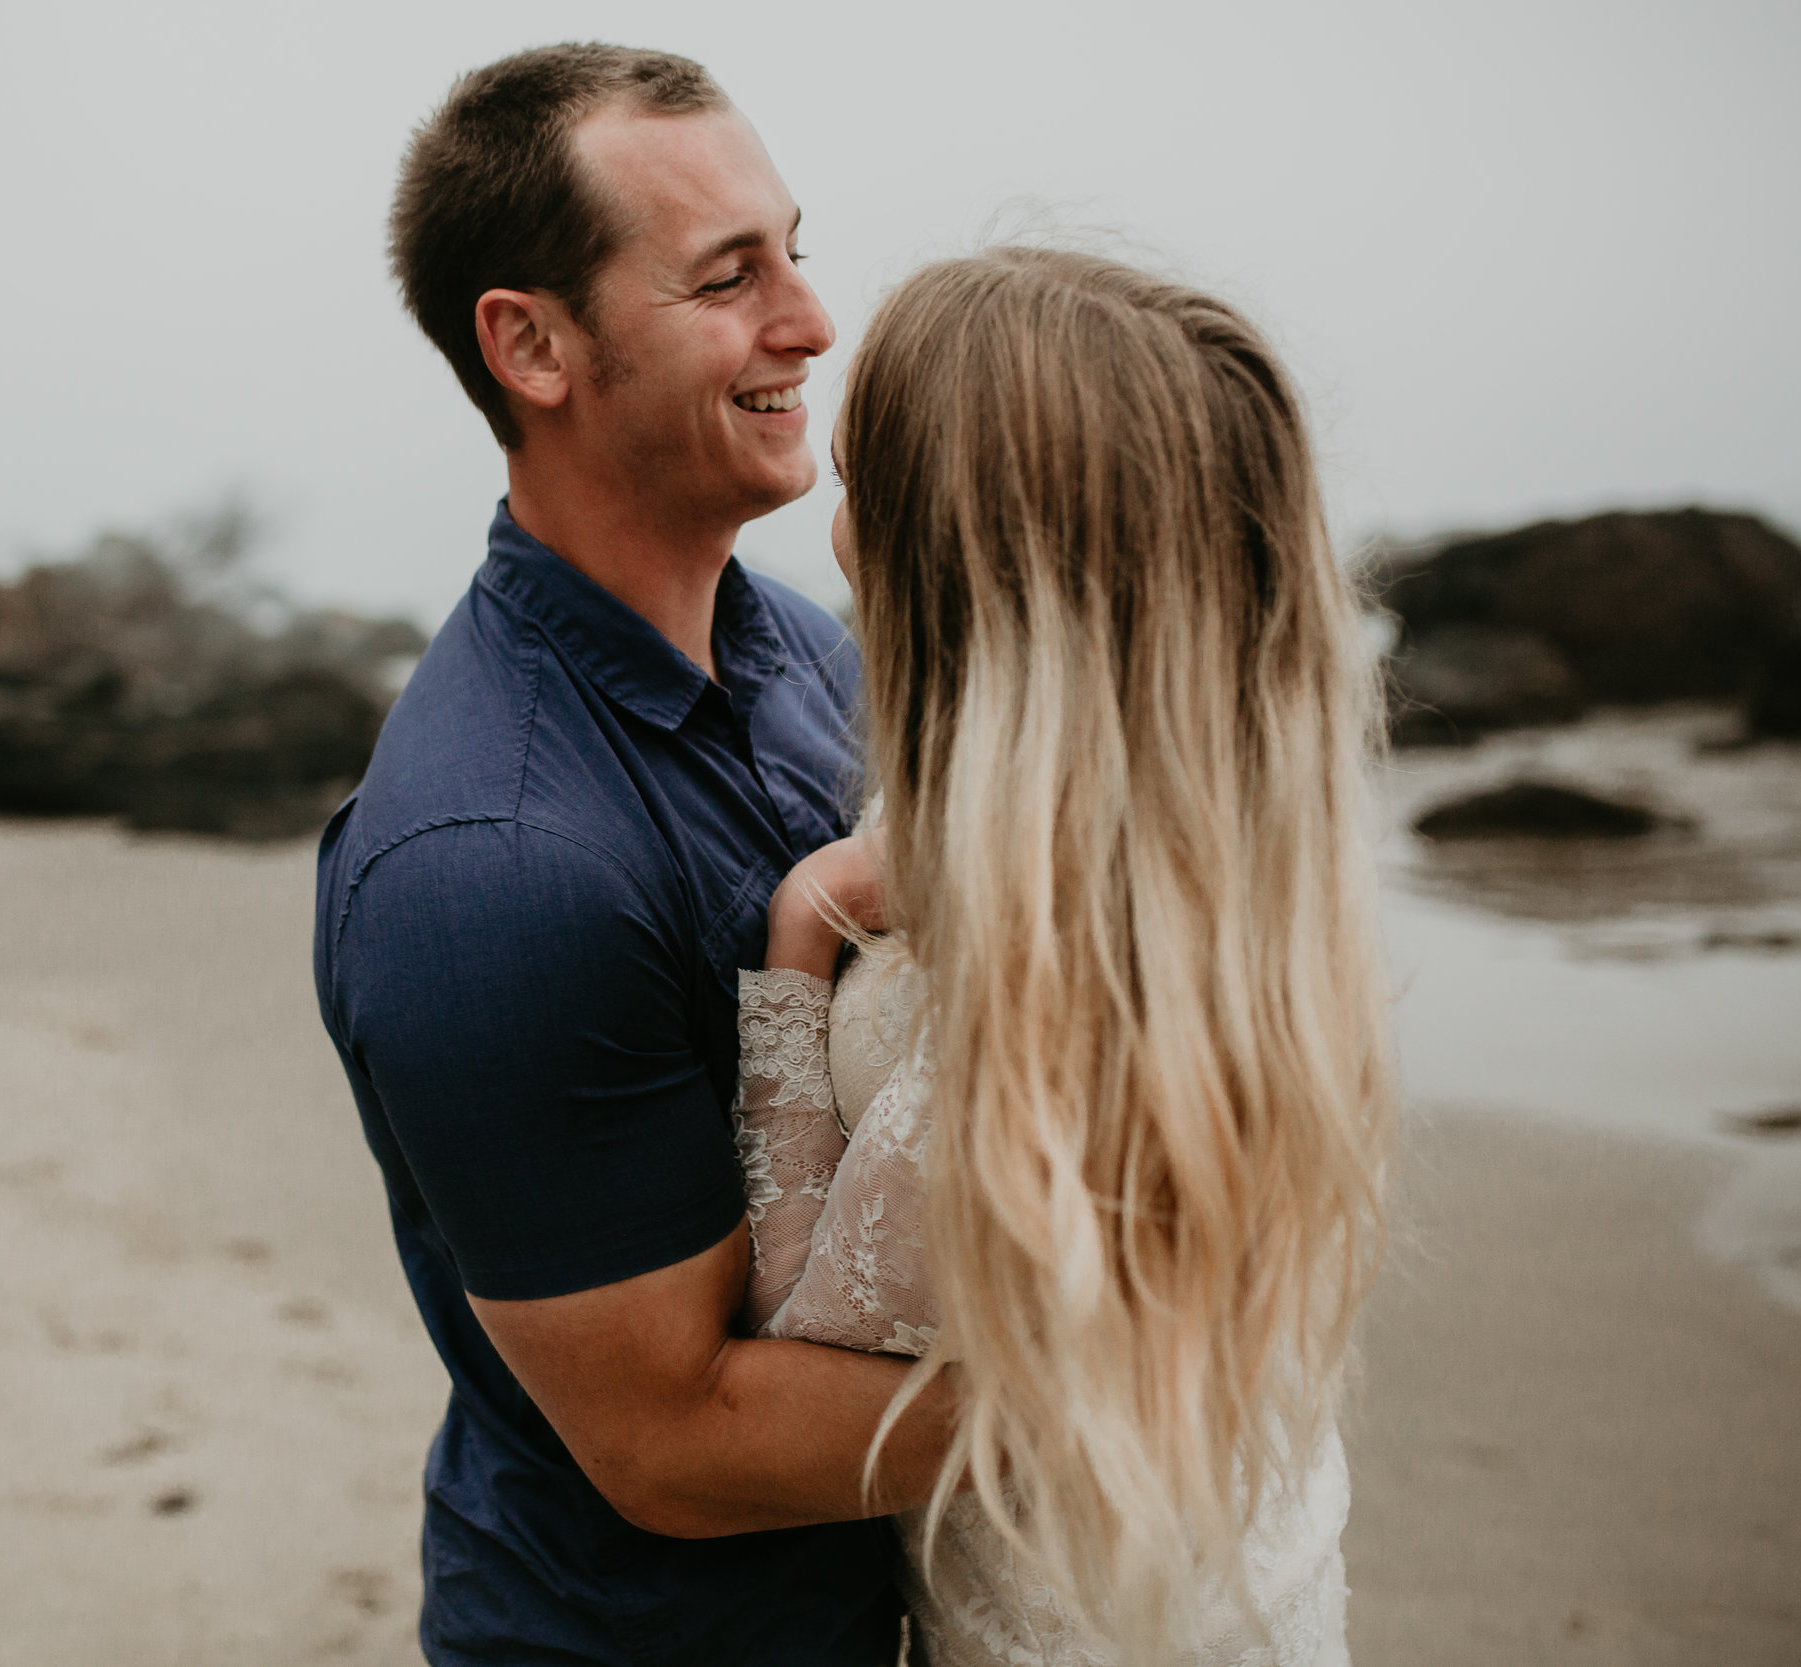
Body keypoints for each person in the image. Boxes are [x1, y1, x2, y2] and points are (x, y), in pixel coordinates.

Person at [312, 44, 953, 1665]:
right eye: (730, 279)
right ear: (533, 344)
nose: (809, 322)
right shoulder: (491, 868)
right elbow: (676, 1444)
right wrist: (1177, 1376)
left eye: (795, 254)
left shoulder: (812, 660)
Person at [732, 248, 1396, 1664]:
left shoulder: (1030, 984)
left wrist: (799, 933)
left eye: (865, 486)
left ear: (968, 554)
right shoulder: (1231, 855)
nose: (835, 535)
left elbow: (801, 1352)